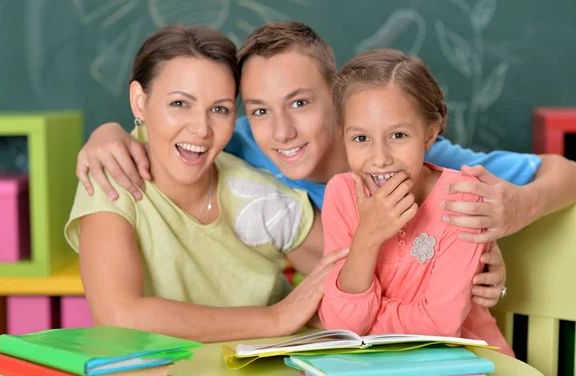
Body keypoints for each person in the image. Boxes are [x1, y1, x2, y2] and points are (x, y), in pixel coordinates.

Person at [74, 22, 576, 306]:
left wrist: (521, 206)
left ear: (337, 101)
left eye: (300, 103)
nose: (281, 133)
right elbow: (178, 129)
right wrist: (108, 133)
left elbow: (567, 171)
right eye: (259, 110)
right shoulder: (242, 143)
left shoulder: (407, 157)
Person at [64, 25, 349, 343]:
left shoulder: (254, 186)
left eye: (219, 109)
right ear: (139, 102)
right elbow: (118, 317)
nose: (201, 129)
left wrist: (309, 315)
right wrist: (277, 317)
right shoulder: (111, 173)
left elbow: (352, 270)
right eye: (179, 104)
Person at [318, 49, 512, 356]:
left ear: (429, 133)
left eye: (398, 134)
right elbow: (342, 325)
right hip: (377, 368)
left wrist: (367, 324)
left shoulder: (463, 199)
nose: (380, 159)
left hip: (470, 367)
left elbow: (439, 326)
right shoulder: (341, 194)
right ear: (342, 135)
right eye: (361, 139)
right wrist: (366, 239)